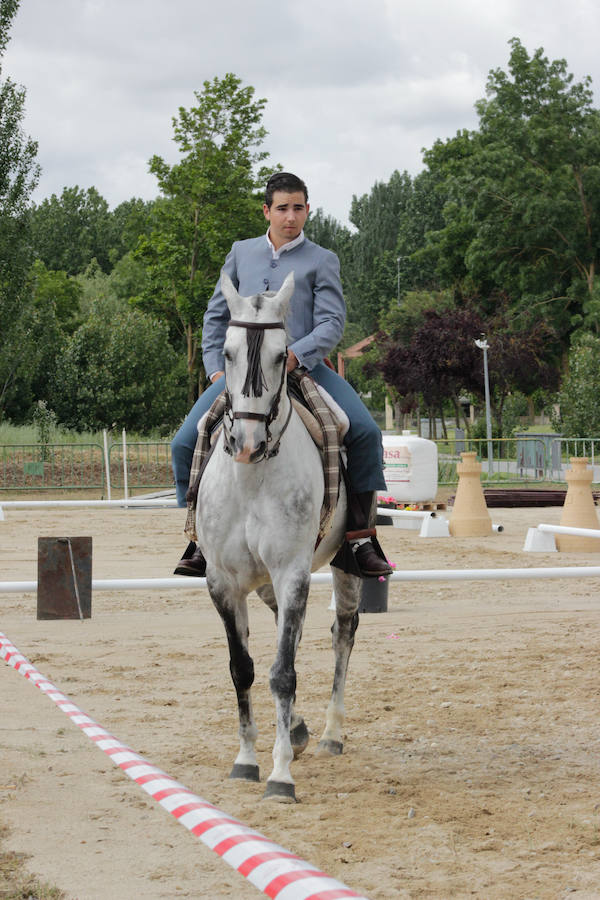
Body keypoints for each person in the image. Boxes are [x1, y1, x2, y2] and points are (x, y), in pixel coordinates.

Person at [171, 172, 392, 578]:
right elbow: (216, 315)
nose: (290, 217)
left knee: (364, 432)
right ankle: (200, 537)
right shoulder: (241, 253)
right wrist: (216, 368)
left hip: (304, 369)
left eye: (298, 208)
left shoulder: (322, 259)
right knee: (185, 441)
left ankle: (359, 538)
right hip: (243, 376)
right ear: (266, 211)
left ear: (307, 209)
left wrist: (297, 354)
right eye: (282, 208)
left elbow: (332, 323)